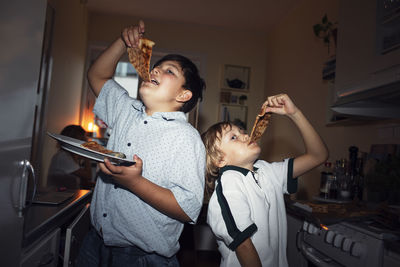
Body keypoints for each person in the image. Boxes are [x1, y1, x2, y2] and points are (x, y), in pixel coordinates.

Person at [77, 20, 206, 267]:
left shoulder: (186, 137)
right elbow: (96, 75)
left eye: (169, 71)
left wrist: (135, 183)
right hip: (95, 242)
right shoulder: (126, 109)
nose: (155, 70)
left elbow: (188, 209)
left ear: (183, 95)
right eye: (155, 67)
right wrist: (122, 42)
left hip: (142, 258)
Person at [201, 94, 328, 267]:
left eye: (242, 132)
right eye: (233, 137)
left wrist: (294, 113)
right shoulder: (229, 185)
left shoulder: (268, 172)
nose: (246, 136)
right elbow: (244, 247)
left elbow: (318, 156)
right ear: (219, 160)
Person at [47, 125, 93, 190]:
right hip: (58, 196)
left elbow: (82, 182)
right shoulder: (63, 157)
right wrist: (86, 156)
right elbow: (88, 176)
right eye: (82, 139)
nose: (85, 142)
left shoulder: (67, 156)